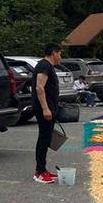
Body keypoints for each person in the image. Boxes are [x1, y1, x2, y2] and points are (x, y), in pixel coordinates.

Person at [32, 43, 61, 183]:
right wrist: (45, 108)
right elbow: (39, 87)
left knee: (47, 137)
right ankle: (39, 172)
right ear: (54, 53)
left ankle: (43, 169)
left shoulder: (48, 66)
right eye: (59, 53)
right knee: (44, 138)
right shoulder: (44, 65)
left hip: (50, 107)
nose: (60, 57)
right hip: (45, 109)